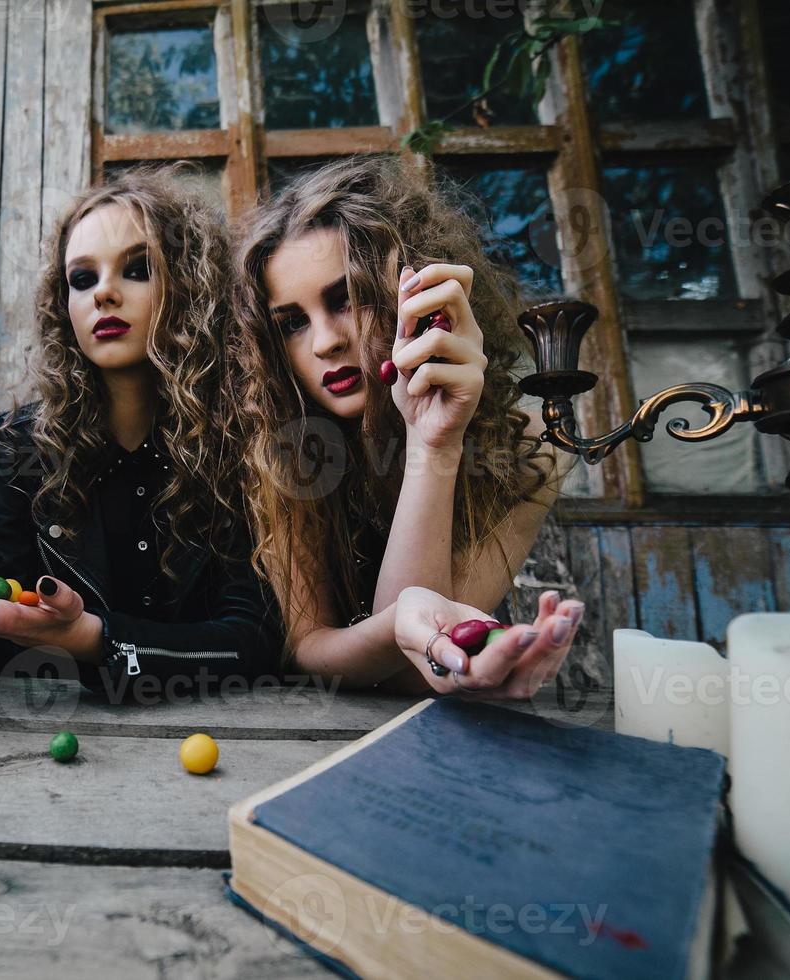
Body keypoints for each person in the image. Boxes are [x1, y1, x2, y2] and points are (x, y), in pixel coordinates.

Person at [0, 167, 282, 695]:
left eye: (138, 269)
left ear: (192, 285)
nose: (104, 295)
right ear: (63, 304)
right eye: (83, 278)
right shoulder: (20, 445)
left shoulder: (241, 435)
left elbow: (254, 640)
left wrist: (96, 640)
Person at [228, 156, 582, 697]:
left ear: (417, 297)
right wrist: (398, 625)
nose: (325, 342)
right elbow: (311, 650)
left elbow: (414, 670)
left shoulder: (535, 445)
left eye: (345, 299)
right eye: (293, 323)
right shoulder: (282, 446)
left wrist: (433, 440)